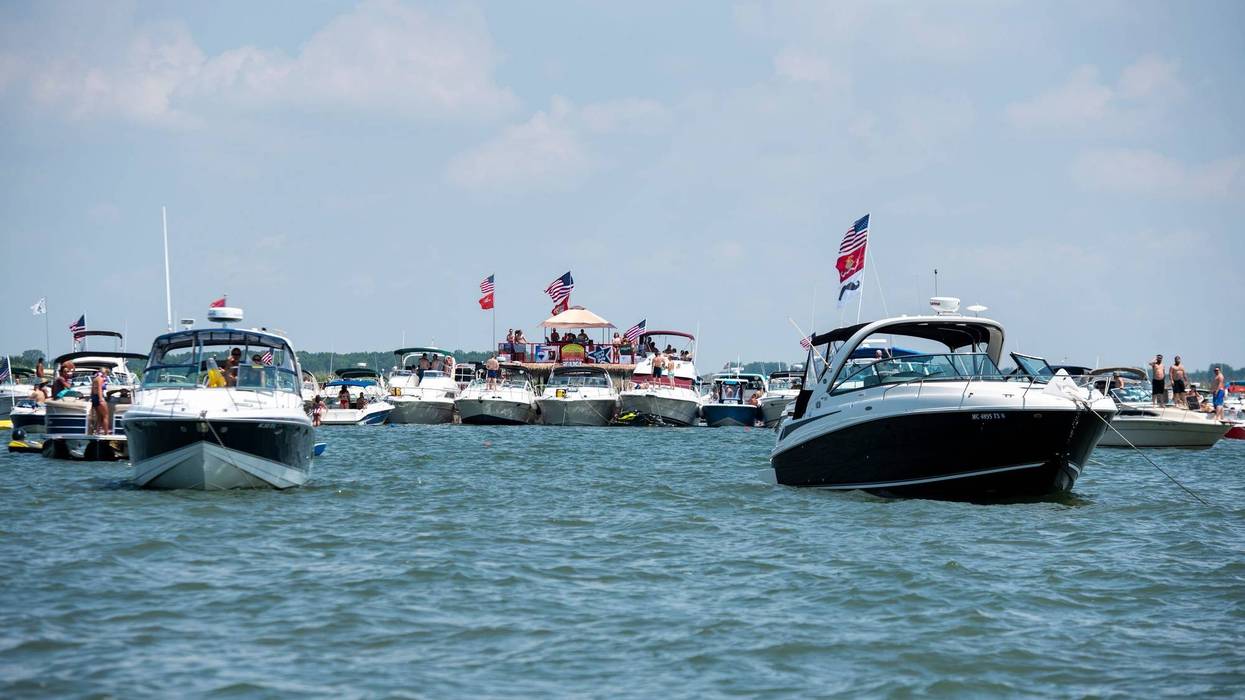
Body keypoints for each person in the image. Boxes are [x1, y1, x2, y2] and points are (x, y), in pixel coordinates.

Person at [90, 366, 110, 435]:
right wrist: (101, 399)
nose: (106, 375)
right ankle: (106, 433)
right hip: (99, 398)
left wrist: (92, 399)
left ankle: (97, 431)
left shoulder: (95, 379)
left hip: (94, 398)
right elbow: (99, 389)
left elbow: (92, 390)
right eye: (106, 374)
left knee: (99, 417)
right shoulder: (100, 379)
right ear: (104, 373)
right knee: (106, 416)